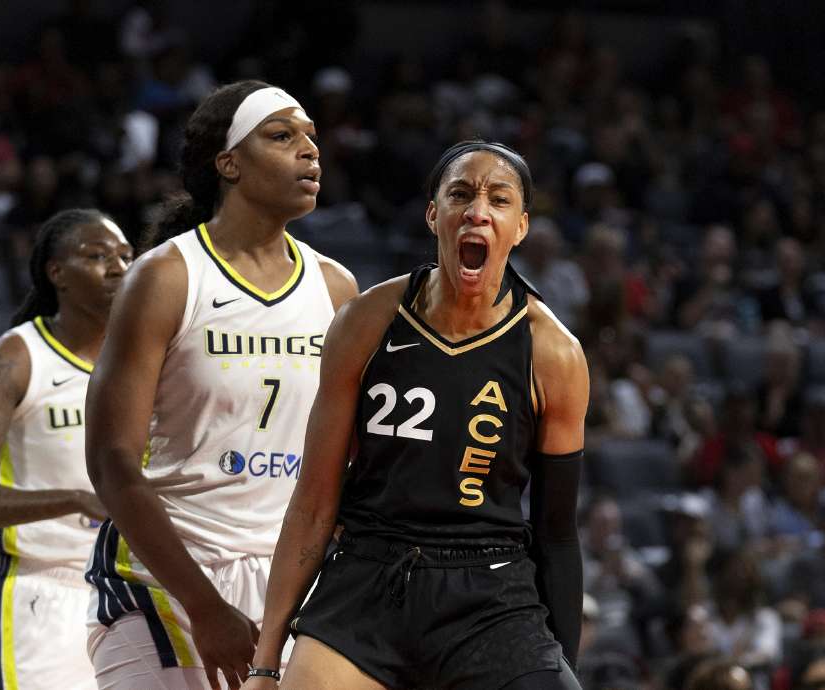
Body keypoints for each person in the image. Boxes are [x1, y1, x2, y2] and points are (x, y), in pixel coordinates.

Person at [242, 140, 588, 689]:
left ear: (520, 227)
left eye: (499, 200)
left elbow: (557, 532)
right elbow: (312, 504)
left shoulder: (552, 353)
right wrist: (265, 664)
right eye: (461, 194)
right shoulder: (366, 321)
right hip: (368, 580)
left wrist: (563, 665)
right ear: (433, 215)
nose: (477, 211)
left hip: (489, 594)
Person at [82, 81, 357, 689]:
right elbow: (111, 460)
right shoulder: (166, 277)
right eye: (282, 136)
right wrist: (204, 607)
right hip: (163, 578)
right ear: (228, 164)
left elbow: (346, 460)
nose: (309, 150)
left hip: (288, 580)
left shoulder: (336, 289)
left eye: (311, 137)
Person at [0, 209, 191, 689]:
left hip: (134, 598)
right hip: (42, 596)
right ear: (57, 273)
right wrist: (73, 499)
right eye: (96, 256)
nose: (118, 268)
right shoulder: (19, 355)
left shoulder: (154, 360)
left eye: (125, 256)